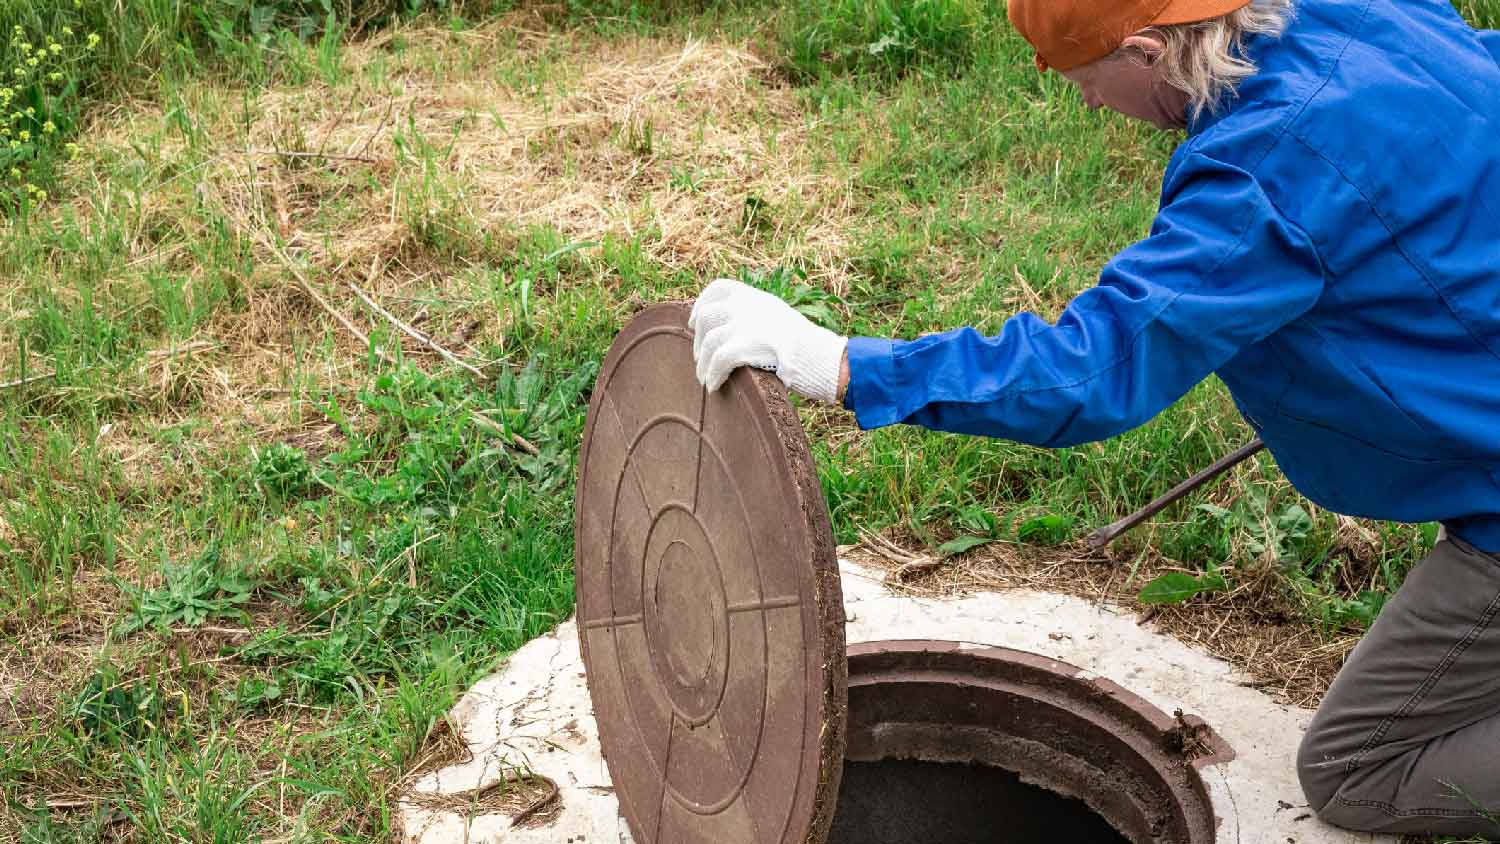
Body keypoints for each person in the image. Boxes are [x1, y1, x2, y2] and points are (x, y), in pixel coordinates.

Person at [689, 0, 1500, 836]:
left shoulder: (1263, 175)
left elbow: (1091, 368)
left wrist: (844, 364)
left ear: (1148, 53)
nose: (1081, 103)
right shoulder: (1368, 12)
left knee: (1354, 772)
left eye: (1078, 79)